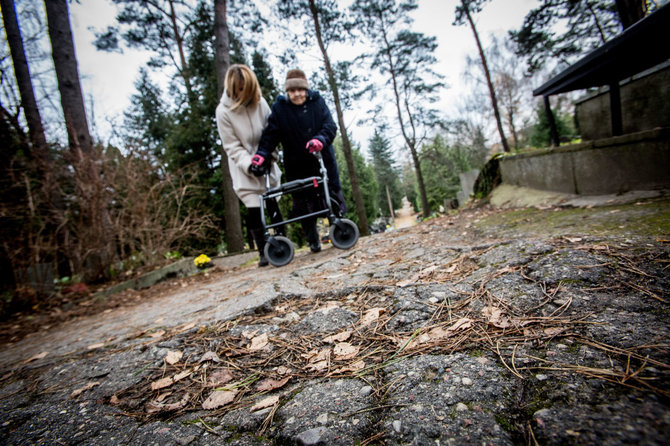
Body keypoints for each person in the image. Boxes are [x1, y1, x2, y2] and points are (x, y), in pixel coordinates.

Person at [252, 69, 344, 253]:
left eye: (300, 90)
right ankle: (313, 241)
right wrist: (262, 153)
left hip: (321, 159)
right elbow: (271, 135)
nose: (297, 94)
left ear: (306, 89)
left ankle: (341, 229)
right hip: (296, 164)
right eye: (292, 91)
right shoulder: (280, 109)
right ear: (287, 91)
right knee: (303, 204)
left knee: (331, 196)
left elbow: (330, 125)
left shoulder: (317, 102)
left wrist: (320, 140)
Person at [215, 64, 283, 267]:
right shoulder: (223, 112)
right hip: (244, 167)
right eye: (242, 88)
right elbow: (231, 145)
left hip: (266, 161)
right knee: (254, 208)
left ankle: (282, 242)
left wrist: (268, 154)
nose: (247, 92)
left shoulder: (260, 103)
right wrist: (249, 164)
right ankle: (263, 250)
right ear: (234, 88)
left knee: (272, 203)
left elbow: (272, 130)